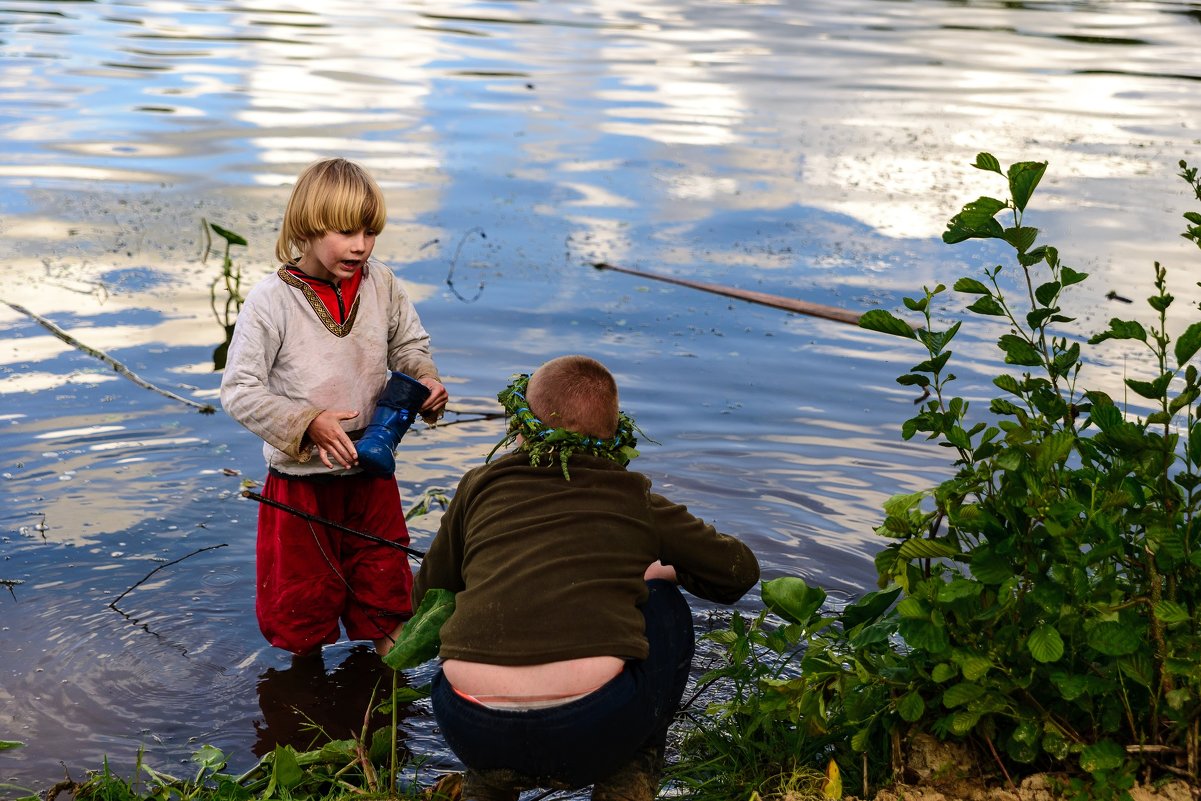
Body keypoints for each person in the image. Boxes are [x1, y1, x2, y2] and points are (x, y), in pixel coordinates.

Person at [412, 355, 759, 801]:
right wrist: (660, 570)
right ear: (614, 437)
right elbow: (738, 572)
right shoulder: (633, 496)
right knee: (663, 601)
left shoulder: (479, 486)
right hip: (592, 725)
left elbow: (428, 596)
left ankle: (492, 779)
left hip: (467, 721)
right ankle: (628, 777)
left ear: (521, 426)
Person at [220, 157, 448, 657]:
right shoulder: (271, 302)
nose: (361, 245)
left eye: (370, 232)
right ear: (307, 226)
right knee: (303, 611)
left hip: (372, 477)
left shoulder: (380, 283)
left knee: (386, 596)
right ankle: (307, 711)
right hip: (301, 488)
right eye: (346, 231)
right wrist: (308, 423)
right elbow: (238, 390)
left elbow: (408, 345)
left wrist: (424, 379)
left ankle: (386, 706)